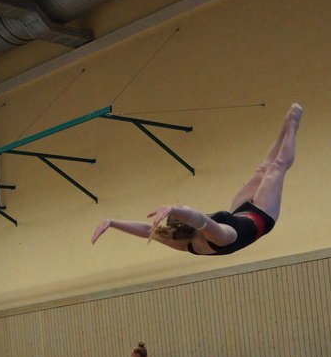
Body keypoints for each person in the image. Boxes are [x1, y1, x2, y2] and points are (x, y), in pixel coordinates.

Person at [91, 104, 302, 255]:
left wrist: (113, 222)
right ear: (189, 225)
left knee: (261, 170)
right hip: (262, 217)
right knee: (277, 167)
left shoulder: (181, 240)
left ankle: (284, 128)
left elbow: (148, 230)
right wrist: (174, 209)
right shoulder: (219, 237)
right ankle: (292, 126)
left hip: (240, 212)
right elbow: (199, 219)